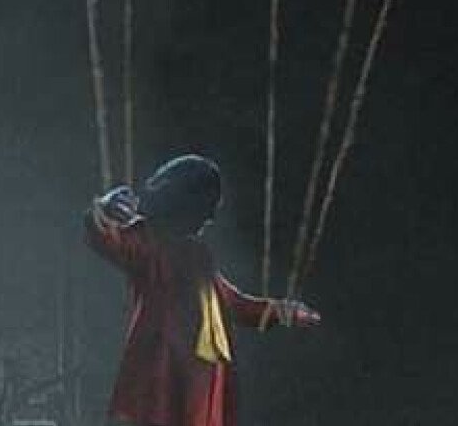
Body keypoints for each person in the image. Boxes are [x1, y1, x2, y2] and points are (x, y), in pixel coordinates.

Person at [84, 155, 320, 426]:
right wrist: (104, 208)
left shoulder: (197, 255)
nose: (210, 217)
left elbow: (233, 303)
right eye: (207, 207)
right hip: (168, 374)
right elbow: (107, 238)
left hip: (203, 377)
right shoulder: (149, 241)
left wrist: (282, 311)